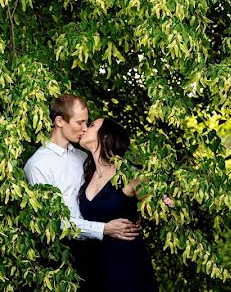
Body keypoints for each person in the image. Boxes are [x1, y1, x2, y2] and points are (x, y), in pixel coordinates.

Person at [24, 94, 140, 290]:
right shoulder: (38, 165)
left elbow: (113, 193)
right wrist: (104, 229)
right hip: (67, 260)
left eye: (88, 122)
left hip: (103, 253)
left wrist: (136, 211)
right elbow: (54, 223)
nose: (85, 128)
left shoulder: (83, 158)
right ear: (59, 121)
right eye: (80, 122)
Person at [77, 117, 158, 292]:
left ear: (105, 136)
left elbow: (160, 209)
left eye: (91, 126)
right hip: (93, 264)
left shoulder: (130, 175)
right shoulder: (87, 175)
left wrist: (145, 214)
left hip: (125, 263)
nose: (84, 129)